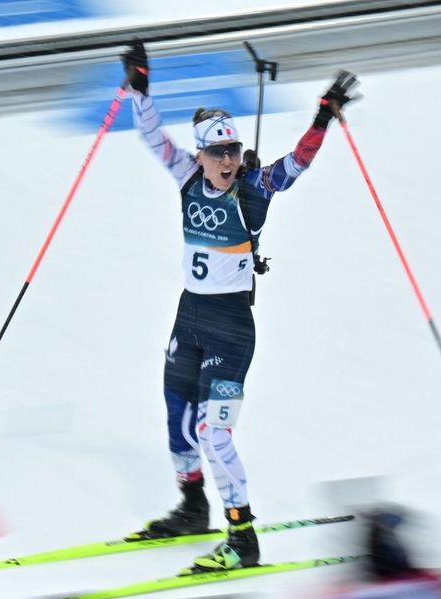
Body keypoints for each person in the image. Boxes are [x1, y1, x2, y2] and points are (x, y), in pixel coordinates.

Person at [121, 39, 360, 571]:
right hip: (190, 315)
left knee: (213, 433)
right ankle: (191, 507)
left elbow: (297, 163)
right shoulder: (186, 177)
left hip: (230, 328)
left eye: (231, 150)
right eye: (217, 152)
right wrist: (140, 88)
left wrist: (322, 116)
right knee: (177, 415)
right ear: (200, 155)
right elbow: (150, 136)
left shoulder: (254, 188)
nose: (227, 160)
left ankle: (242, 535)